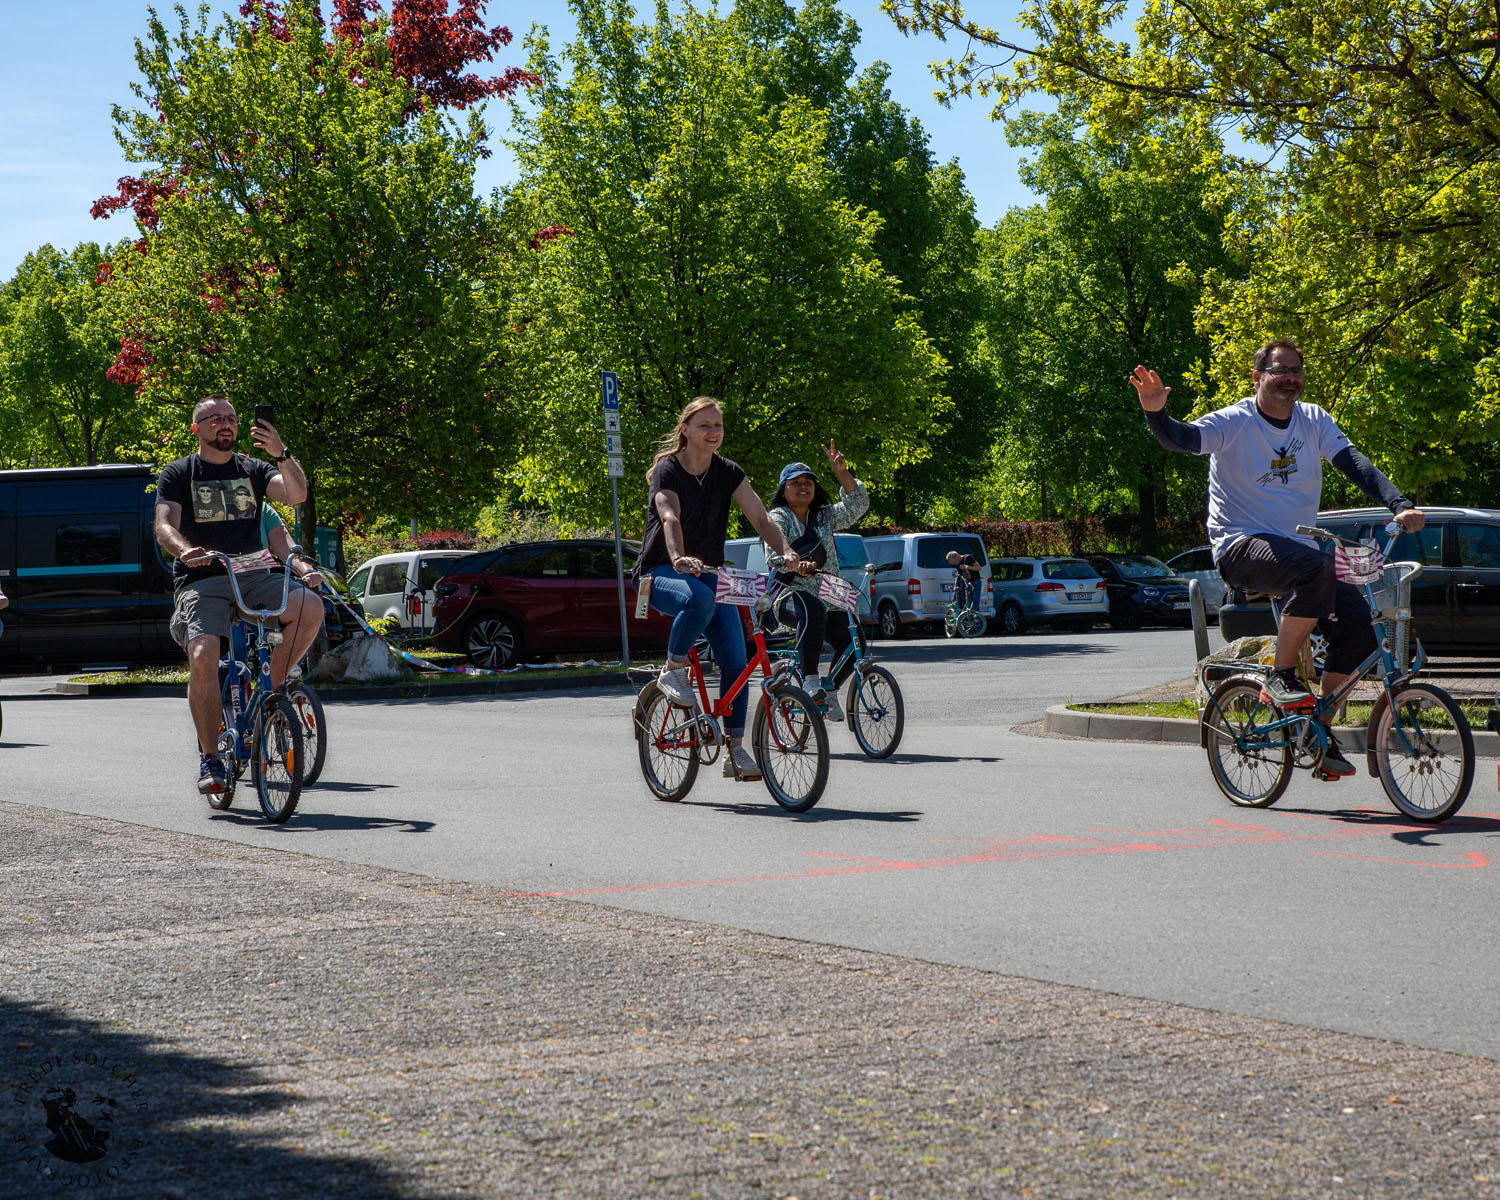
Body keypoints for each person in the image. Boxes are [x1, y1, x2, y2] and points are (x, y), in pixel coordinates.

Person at [1130, 339, 1425, 779]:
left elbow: (1355, 463)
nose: (1290, 377)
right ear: (1257, 377)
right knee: (1319, 566)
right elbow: (1183, 438)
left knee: (1362, 629)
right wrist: (1156, 413)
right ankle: (1281, 675)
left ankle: (1316, 732)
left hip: (1298, 556)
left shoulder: (1313, 421)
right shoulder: (1235, 421)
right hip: (1239, 545)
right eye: (1279, 369)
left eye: (1297, 370)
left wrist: (1397, 503)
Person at [154, 394, 325, 795]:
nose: (224, 424)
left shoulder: (253, 468)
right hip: (203, 579)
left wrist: (281, 452)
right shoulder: (179, 473)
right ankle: (211, 757)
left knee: (308, 606)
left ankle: (274, 688)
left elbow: (296, 494)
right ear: (197, 429)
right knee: (203, 654)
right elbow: (163, 525)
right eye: (214, 419)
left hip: (252, 574)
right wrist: (184, 550)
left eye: (230, 418)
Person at [636, 396, 802, 782]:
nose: (714, 433)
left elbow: (760, 517)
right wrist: (678, 557)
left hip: (709, 570)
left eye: (718, 426)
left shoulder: (728, 472)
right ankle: (673, 669)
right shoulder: (668, 470)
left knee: (736, 661)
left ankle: (736, 749)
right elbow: (668, 515)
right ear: (686, 430)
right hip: (662, 570)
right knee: (700, 598)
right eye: (705, 426)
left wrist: (787, 551)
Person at [764, 445, 868, 720]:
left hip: (828, 592)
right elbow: (774, 551)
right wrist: (793, 562)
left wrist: (842, 473)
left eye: (808, 482)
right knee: (812, 609)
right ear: (783, 490)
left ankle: (829, 689)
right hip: (790, 592)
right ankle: (810, 679)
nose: (803, 487)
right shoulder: (777, 517)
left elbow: (857, 506)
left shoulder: (824, 515)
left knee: (854, 641)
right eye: (795, 483)